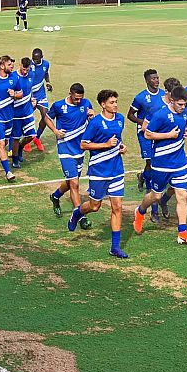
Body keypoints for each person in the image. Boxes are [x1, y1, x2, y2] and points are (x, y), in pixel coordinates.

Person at [133, 86, 187, 245]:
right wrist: (168, 135)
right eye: (180, 104)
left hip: (179, 162)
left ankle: (182, 232)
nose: (183, 107)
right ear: (172, 101)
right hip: (161, 164)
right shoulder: (160, 114)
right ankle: (140, 211)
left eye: (185, 104)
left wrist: (186, 133)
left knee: (182, 196)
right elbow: (147, 134)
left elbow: (183, 128)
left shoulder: (185, 113)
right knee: (156, 196)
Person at [71, 89, 129, 258]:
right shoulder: (95, 123)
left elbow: (117, 139)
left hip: (117, 170)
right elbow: (83, 144)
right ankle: (77, 213)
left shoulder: (120, 119)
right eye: (112, 102)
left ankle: (115, 247)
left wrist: (122, 147)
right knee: (95, 206)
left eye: (116, 102)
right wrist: (106, 145)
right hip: (99, 171)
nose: (115, 105)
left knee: (117, 207)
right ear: (103, 104)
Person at [47, 84, 95, 218]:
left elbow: (92, 123)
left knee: (71, 181)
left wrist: (92, 117)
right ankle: (79, 216)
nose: (78, 101)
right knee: (75, 183)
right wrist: (55, 131)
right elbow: (47, 118)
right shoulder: (59, 106)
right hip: (65, 148)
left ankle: (55, 196)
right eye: (76, 99)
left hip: (79, 149)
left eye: (80, 98)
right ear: (70, 94)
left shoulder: (86, 103)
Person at [127, 69, 165, 197]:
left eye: (157, 78)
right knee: (149, 161)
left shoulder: (163, 95)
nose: (156, 80)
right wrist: (142, 122)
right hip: (144, 133)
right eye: (153, 78)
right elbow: (130, 115)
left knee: (156, 160)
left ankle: (143, 176)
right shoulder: (140, 97)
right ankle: (149, 189)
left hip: (159, 133)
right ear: (147, 81)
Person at [10, 58, 38, 169]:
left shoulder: (32, 75)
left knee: (31, 136)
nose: (25, 72)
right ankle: (15, 159)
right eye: (23, 69)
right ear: (20, 65)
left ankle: (20, 148)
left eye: (27, 69)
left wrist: (32, 98)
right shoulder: (12, 76)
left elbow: (30, 89)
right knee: (16, 138)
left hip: (28, 111)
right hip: (15, 113)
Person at [24, 48, 53, 152]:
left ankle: (37, 138)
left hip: (41, 95)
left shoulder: (46, 64)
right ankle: (26, 140)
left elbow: (46, 73)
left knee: (46, 116)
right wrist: (30, 97)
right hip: (29, 95)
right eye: (33, 58)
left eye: (36, 59)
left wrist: (48, 83)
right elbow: (25, 79)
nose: (34, 61)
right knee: (27, 117)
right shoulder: (29, 65)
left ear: (41, 57)